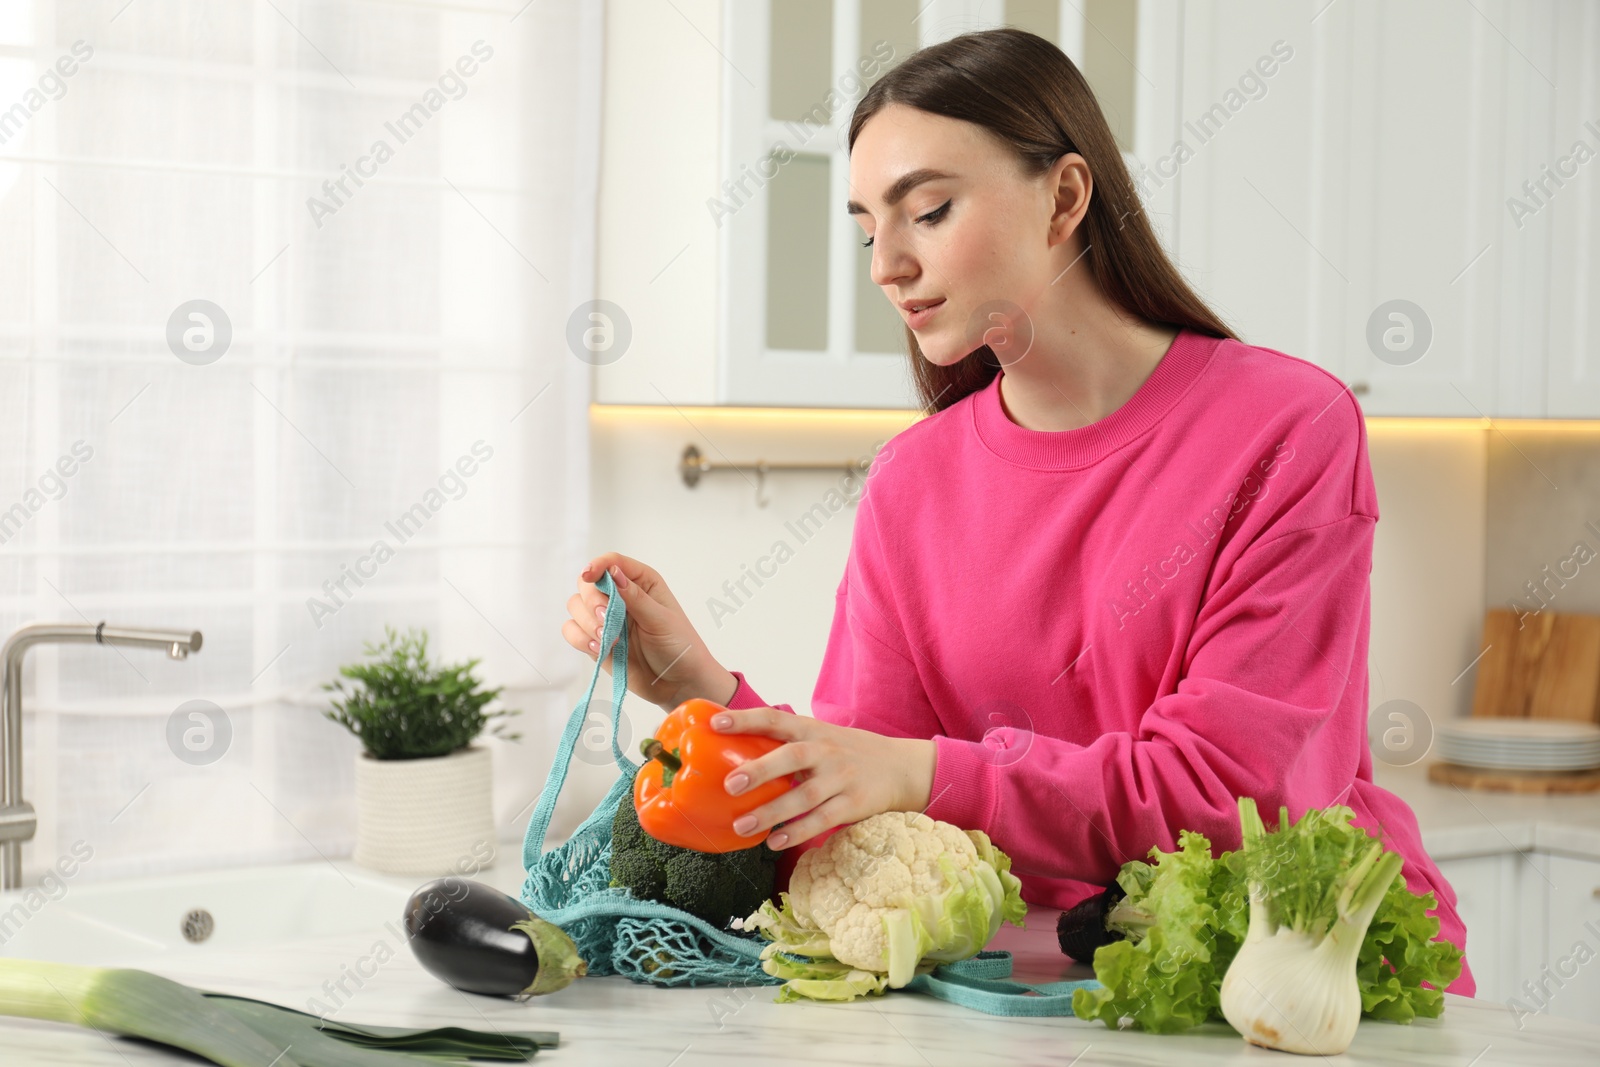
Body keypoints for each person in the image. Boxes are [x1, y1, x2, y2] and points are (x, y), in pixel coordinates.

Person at [561, 28, 1474, 995]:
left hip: (1305, 975)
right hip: (1044, 996)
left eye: (929, 210)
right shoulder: (913, 482)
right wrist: (700, 692)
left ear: (1066, 198)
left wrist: (926, 772)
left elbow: (1227, 793)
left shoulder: (1289, 428)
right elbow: (869, 817)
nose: (887, 264)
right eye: (871, 228)